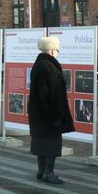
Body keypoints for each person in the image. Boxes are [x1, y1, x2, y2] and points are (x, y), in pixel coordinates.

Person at [27, 36, 75, 185]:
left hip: (38, 114)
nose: (58, 53)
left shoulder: (39, 64)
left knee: (40, 142)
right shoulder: (49, 67)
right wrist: (56, 116)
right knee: (51, 144)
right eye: (57, 50)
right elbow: (52, 94)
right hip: (49, 115)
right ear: (52, 50)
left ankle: (41, 171)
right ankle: (49, 172)